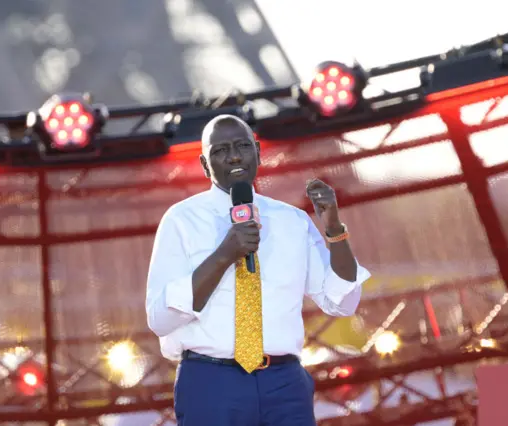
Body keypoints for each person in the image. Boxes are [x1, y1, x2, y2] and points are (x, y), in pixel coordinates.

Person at [145, 114, 371, 426]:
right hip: (211, 381)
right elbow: (159, 319)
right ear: (203, 164)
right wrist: (225, 254)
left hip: (285, 382)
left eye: (242, 146)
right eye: (221, 150)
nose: (234, 155)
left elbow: (342, 301)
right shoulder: (181, 220)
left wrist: (334, 229)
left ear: (258, 151)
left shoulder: (292, 220)